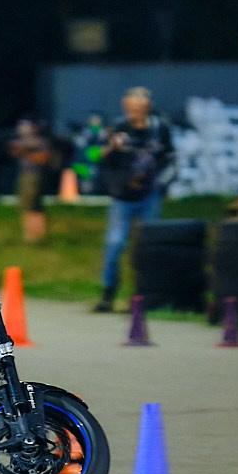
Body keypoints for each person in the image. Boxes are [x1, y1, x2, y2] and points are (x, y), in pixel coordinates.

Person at [91, 87, 171, 312]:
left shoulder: (159, 128)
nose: (134, 110)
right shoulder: (116, 128)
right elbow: (95, 157)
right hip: (121, 197)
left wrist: (162, 183)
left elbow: (170, 158)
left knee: (146, 245)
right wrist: (111, 148)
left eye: (140, 104)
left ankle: (142, 295)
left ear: (148, 105)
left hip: (150, 195)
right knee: (115, 243)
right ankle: (108, 294)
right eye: (131, 105)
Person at [8, 117, 58, 243]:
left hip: (34, 175)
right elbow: (12, 151)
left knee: (33, 205)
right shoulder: (23, 142)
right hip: (25, 174)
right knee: (26, 205)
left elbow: (44, 159)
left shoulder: (40, 142)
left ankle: (36, 234)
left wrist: (26, 152)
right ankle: (29, 233)